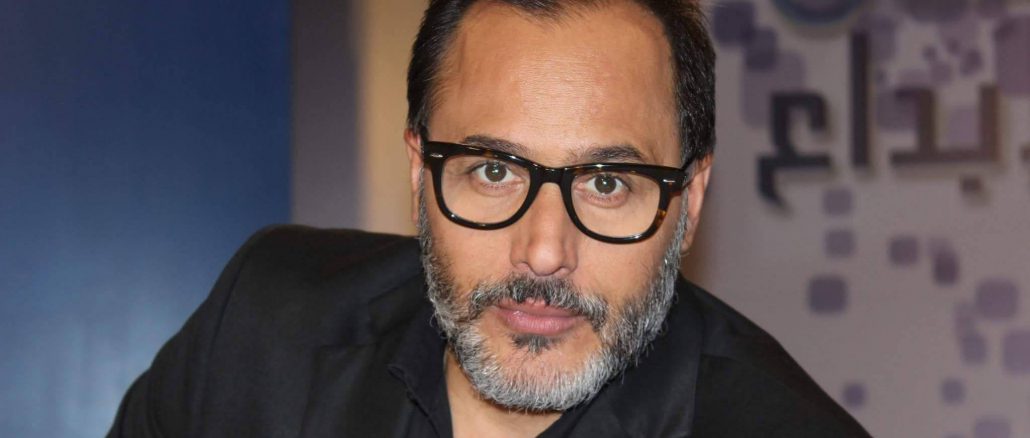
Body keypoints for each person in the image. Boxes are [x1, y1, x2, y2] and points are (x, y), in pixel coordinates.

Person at [108, 0, 869, 436]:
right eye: (495, 171)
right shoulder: (261, 336)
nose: (543, 251)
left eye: (607, 182)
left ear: (689, 201)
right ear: (420, 171)